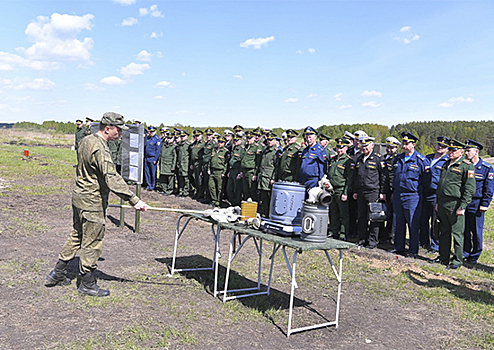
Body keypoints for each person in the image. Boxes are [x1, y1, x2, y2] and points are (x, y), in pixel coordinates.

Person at [45, 112, 148, 297]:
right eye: (118, 130)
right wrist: (134, 200)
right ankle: (87, 284)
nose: (120, 134)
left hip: (79, 196)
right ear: (107, 129)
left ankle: (57, 273)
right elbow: (111, 177)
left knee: (77, 235)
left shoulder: (86, 140)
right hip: (92, 200)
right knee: (92, 241)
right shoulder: (100, 148)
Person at [435, 139, 475, 269]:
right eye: (450, 150)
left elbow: (469, 189)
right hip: (442, 202)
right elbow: (441, 184)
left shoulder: (466, 166)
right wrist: (437, 202)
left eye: (454, 150)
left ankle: (457, 260)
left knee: (457, 234)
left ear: (461, 152)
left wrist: (462, 206)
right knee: (444, 231)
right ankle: (443, 257)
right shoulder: (446, 163)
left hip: (455, 204)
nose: (450, 152)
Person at [391, 132, 430, 258]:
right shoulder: (398, 158)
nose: (404, 145)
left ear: (413, 144)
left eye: (407, 143)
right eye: (403, 143)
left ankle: (413, 250)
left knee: (413, 224)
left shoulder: (421, 160)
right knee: (398, 223)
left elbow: (426, 181)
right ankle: (399, 248)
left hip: (412, 196)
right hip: (398, 194)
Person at [463, 139, 494, 264]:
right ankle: (465, 253)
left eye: (468, 151)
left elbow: (489, 188)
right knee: (464, 230)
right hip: (465, 202)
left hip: (477, 203)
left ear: (476, 151)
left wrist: (485, 203)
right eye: (465, 150)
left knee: (476, 231)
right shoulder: (465, 166)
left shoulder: (486, 168)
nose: (466, 153)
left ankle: (475, 255)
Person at [352, 136, 385, 248]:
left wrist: (382, 192)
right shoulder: (360, 158)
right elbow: (357, 176)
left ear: (372, 145)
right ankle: (362, 238)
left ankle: (372, 241)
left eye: (366, 146)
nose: (364, 148)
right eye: (363, 146)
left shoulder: (378, 159)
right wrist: (356, 190)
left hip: (373, 191)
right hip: (361, 191)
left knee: (374, 217)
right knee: (362, 216)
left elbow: (383, 177)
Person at [419, 136, 450, 253]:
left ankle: (435, 245)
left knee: (436, 221)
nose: (440, 147)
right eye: (438, 145)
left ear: (447, 149)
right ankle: (423, 241)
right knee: (423, 219)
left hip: (437, 194)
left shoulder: (447, 161)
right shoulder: (427, 158)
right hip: (424, 192)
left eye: (443, 146)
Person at [327, 138, 354, 240]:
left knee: (343, 214)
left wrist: (345, 192)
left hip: (341, 189)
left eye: (341, 148)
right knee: (333, 212)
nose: (339, 150)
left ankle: (343, 233)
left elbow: (349, 179)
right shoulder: (333, 159)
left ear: (346, 148)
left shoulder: (348, 161)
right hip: (331, 189)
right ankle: (333, 231)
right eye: (338, 147)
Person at [381, 136, 401, 243]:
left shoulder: (397, 159)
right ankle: (382, 235)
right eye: (388, 147)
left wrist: (393, 191)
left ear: (396, 148)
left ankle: (390, 236)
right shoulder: (382, 158)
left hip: (392, 190)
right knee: (381, 213)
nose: (389, 150)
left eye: (391, 148)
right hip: (383, 189)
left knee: (392, 215)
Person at [257, 132, 281, 217]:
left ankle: (269, 215)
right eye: (268, 140)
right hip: (263, 177)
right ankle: (264, 215)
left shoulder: (276, 152)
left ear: (274, 140)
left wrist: (274, 178)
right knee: (264, 198)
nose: (269, 141)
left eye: (271, 140)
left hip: (269, 178)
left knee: (270, 198)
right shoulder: (266, 150)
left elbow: (277, 167)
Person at [299, 126, 327, 191]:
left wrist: (320, 182)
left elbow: (322, 168)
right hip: (304, 180)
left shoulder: (320, 150)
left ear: (315, 137)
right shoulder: (305, 150)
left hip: (313, 181)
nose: (308, 139)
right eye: (306, 137)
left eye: (310, 137)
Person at [209, 136, 230, 207]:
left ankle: (218, 201)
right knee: (211, 186)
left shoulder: (225, 151)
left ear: (224, 143)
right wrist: (209, 169)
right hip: (212, 171)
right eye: (219, 142)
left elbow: (226, 163)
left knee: (220, 188)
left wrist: (224, 172)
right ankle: (214, 200)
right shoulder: (214, 149)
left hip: (220, 171)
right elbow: (210, 160)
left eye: (221, 142)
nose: (220, 143)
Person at [241, 130, 262, 201]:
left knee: (252, 190)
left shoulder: (257, 147)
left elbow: (258, 162)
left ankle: (255, 206)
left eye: (250, 138)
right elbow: (243, 159)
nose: (248, 139)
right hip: (244, 171)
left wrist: (255, 173)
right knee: (245, 190)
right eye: (247, 138)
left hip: (251, 171)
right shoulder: (246, 147)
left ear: (254, 138)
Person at [226, 135, 245, 206]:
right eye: (234, 140)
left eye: (237, 140)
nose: (235, 142)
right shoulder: (234, 148)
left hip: (237, 171)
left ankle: (237, 204)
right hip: (231, 170)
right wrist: (229, 171)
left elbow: (242, 162)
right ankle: (233, 203)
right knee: (229, 189)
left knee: (237, 190)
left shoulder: (242, 149)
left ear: (240, 140)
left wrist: (240, 172)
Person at [201, 128, 217, 203]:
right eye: (207, 135)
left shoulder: (214, 143)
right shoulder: (206, 143)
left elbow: (213, 155)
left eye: (209, 135)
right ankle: (207, 197)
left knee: (210, 183)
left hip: (209, 164)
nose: (208, 136)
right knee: (205, 181)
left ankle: (211, 198)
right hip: (205, 164)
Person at [144, 126, 161, 190]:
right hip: (147, 157)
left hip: (152, 158)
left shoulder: (157, 139)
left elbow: (158, 151)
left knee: (153, 173)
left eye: (152, 132)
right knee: (147, 172)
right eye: (150, 132)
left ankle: (153, 185)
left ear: (155, 132)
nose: (151, 133)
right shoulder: (148, 138)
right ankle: (149, 185)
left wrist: (155, 159)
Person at [189, 129, 205, 199]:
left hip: (200, 162)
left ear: (201, 136)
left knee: (199, 179)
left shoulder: (203, 144)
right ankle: (197, 192)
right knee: (195, 178)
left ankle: (200, 194)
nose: (197, 137)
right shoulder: (194, 144)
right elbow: (192, 154)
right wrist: (192, 163)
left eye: (198, 136)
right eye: (195, 136)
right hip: (194, 162)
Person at [176, 130, 191, 197]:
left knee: (186, 179)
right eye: (181, 136)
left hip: (186, 164)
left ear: (187, 136)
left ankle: (186, 192)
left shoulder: (188, 144)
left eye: (183, 136)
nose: (182, 137)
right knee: (180, 178)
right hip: (180, 164)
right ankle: (181, 191)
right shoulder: (180, 144)